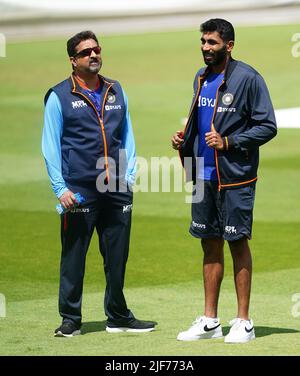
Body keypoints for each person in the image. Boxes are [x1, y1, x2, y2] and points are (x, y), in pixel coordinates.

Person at [42, 30, 155, 337]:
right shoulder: (58, 96)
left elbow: (128, 134)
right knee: (74, 257)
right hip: (79, 190)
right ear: (73, 60)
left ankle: (118, 315)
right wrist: (60, 188)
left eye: (96, 49)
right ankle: (70, 319)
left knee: (117, 257)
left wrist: (130, 175)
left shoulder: (116, 89)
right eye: (85, 52)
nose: (93, 55)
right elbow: (50, 145)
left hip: (117, 188)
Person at [172, 19, 277, 343]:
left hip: (234, 178)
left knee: (237, 241)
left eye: (212, 43)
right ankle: (210, 320)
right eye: (203, 41)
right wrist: (184, 139)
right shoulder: (200, 77)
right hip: (203, 174)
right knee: (209, 242)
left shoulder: (248, 78)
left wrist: (229, 143)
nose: (205, 48)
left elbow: (267, 125)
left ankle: (243, 321)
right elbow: (202, 120)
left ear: (229, 45)